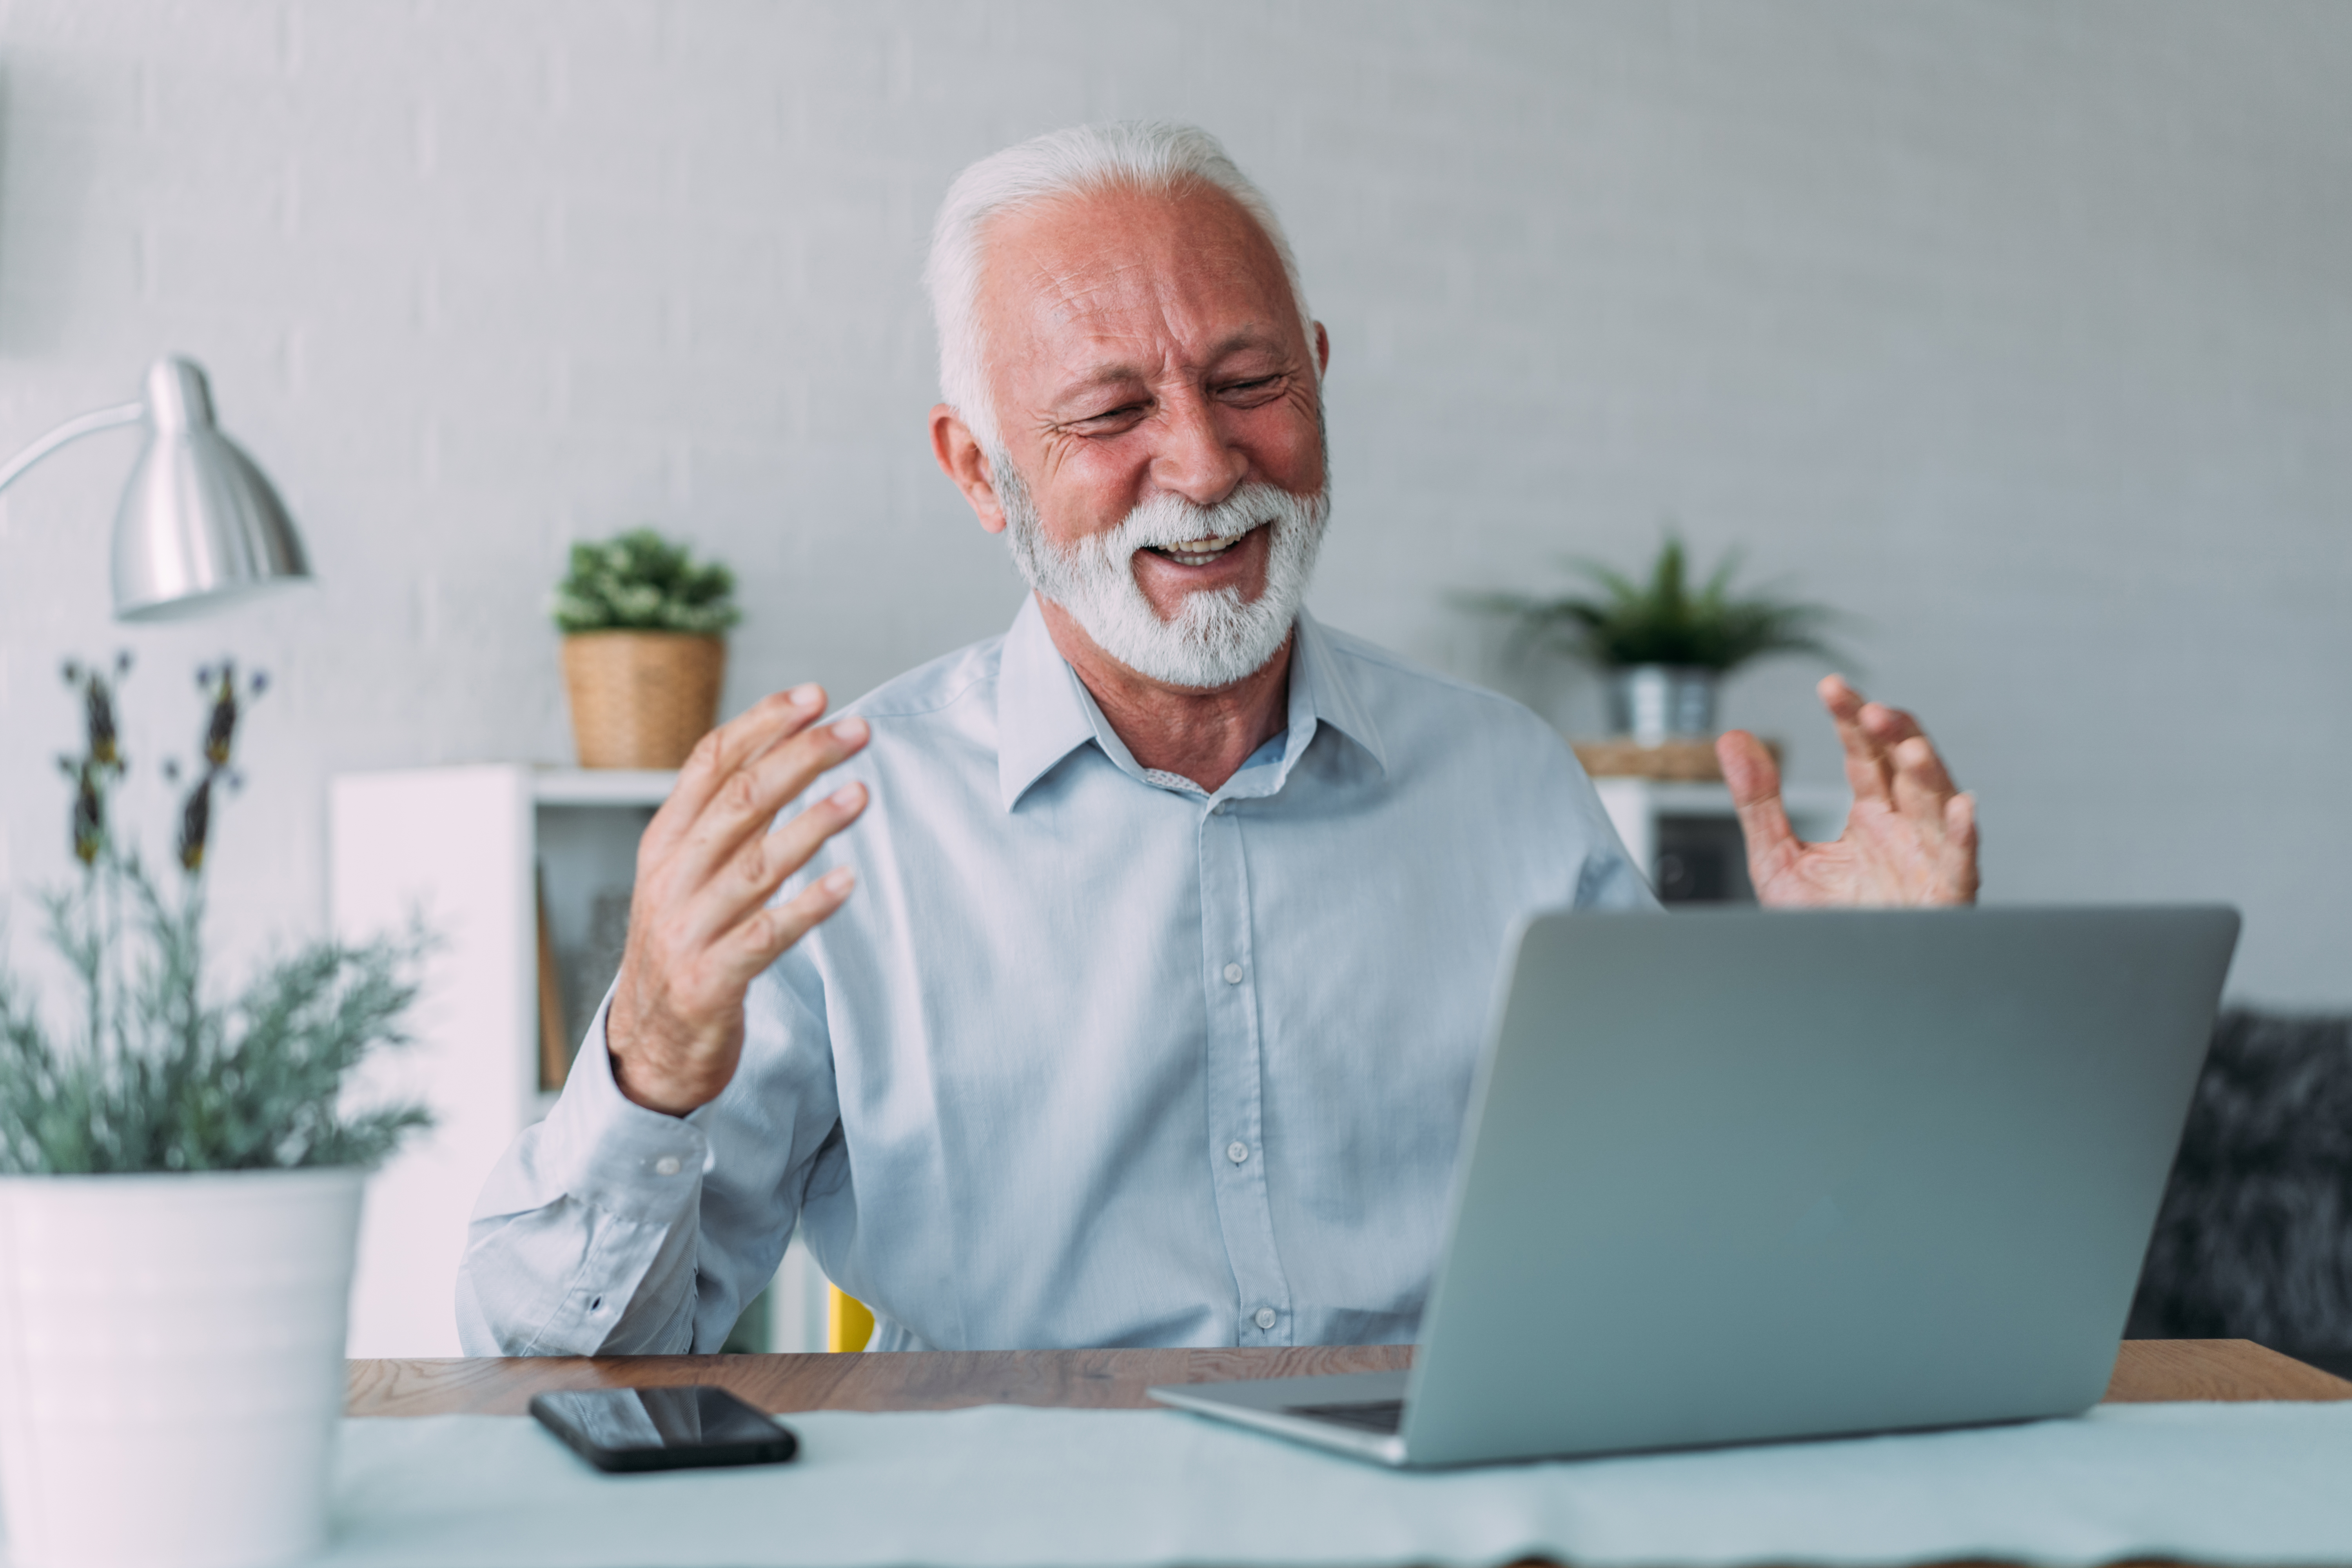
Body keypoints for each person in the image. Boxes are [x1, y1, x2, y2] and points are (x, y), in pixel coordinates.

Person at [456, 122, 1977, 1356]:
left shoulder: (1506, 782)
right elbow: (555, 1365)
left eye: (1252, 383)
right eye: (1110, 412)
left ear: (1318, 370)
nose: (1203, 463)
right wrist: (650, 1055)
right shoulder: (846, 826)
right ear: (980, 474)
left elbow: (1701, 1270)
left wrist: (1858, 1016)